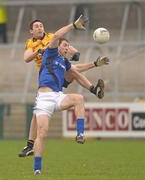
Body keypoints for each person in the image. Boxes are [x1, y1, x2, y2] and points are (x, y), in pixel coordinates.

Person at [18, 19, 109, 157]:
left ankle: (93, 89)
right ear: (31, 31)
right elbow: (26, 58)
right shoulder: (31, 43)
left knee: (72, 70)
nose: (39, 28)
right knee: (36, 115)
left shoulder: (51, 37)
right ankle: (30, 145)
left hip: (57, 71)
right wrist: (39, 51)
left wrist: (73, 52)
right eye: (36, 26)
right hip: (47, 75)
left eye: (41, 25)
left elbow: (73, 52)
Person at [33, 14, 96, 175]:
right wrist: (73, 26)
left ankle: (80, 134)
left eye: (68, 47)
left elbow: (78, 71)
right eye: (65, 45)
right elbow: (56, 35)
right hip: (44, 98)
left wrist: (95, 65)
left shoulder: (64, 62)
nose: (67, 48)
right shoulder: (51, 53)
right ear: (58, 46)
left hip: (58, 96)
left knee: (79, 98)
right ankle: (37, 168)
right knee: (42, 134)